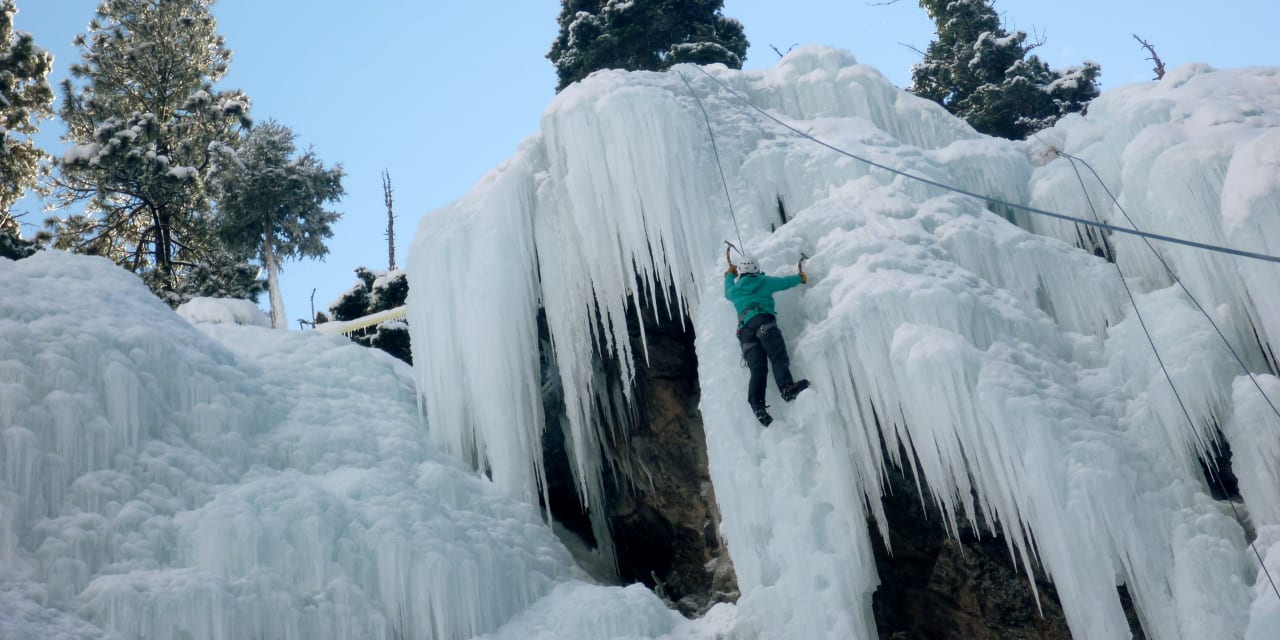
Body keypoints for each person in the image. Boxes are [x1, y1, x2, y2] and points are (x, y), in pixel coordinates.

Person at [725, 249, 811, 426]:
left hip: (745, 334)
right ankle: (786, 388)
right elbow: (784, 282)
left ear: (740, 271)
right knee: (777, 357)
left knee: (758, 370)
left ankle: (757, 405)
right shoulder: (763, 281)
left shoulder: (734, 290)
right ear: (756, 268)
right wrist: (800, 277)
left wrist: (729, 273)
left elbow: (727, 289)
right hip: (764, 324)